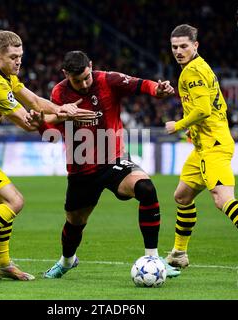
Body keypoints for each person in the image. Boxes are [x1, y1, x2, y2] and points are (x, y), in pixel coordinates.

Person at [0, 31, 94, 281]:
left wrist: (59, 108)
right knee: (15, 202)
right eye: (13, 57)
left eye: (21, 56)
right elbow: (28, 122)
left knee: (4, 204)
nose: (18, 62)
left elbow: (33, 100)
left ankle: (1, 263)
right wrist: (64, 115)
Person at [32, 50, 181, 279]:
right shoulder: (59, 93)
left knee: (146, 189)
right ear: (65, 74)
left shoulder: (107, 80)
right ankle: (67, 261)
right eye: (77, 80)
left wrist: (157, 89)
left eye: (86, 77)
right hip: (81, 167)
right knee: (75, 222)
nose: (83, 84)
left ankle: (153, 258)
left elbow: (140, 84)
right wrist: (44, 121)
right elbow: (52, 129)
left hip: (113, 159)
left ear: (91, 66)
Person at [164, 24, 238, 276]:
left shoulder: (192, 72)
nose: (179, 51)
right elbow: (216, 107)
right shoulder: (200, 67)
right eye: (174, 47)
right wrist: (194, 130)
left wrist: (179, 124)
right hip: (204, 145)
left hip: (213, 146)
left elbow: (203, 109)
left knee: (222, 199)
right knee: (182, 196)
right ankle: (179, 254)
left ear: (196, 46)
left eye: (184, 46)